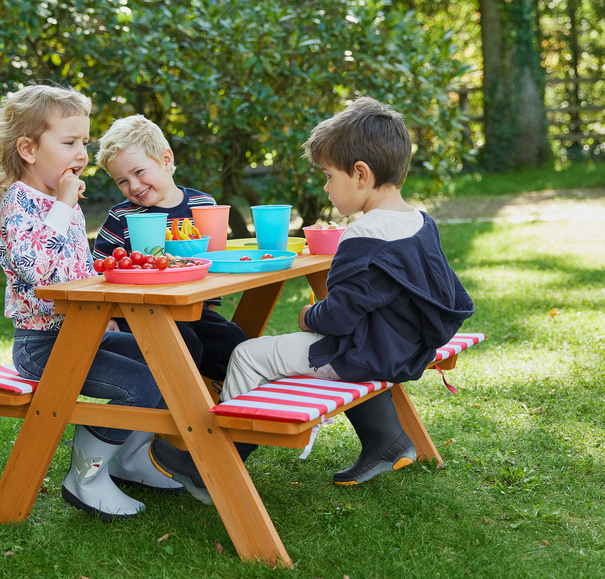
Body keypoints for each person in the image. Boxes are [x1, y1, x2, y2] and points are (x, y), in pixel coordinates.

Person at [150, 96, 475, 501]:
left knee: (249, 355)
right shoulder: (419, 221)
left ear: (360, 174)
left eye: (328, 175)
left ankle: (214, 464)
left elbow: (337, 318)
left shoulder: (363, 236)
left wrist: (308, 315)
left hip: (366, 354)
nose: (325, 187)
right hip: (405, 344)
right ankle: (387, 441)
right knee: (284, 350)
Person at [0, 84, 183, 522]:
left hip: (84, 331)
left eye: (83, 142)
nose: (81, 153)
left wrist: (103, 314)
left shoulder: (57, 201)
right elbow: (42, 272)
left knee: (165, 361)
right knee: (141, 387)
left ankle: (130, 459)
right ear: (28, 149)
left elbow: (78, 269)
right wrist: (64, 206)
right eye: (69, 143)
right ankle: (86, 478)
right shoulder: (22, 203)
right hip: (44, 345)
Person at [93, 114, 247, 382]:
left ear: (166, 160)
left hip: (194, 309)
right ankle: (187, 409)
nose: (134, 186)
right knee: (186, 344)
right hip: (139, 314)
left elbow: (212, 258)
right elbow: (98, 271)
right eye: (122, 181)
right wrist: (108, 317)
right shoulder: (121, 216)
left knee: (234, 340)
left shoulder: (203, 203)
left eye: (139, 172)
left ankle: (237, 402)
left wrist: (209, 302)